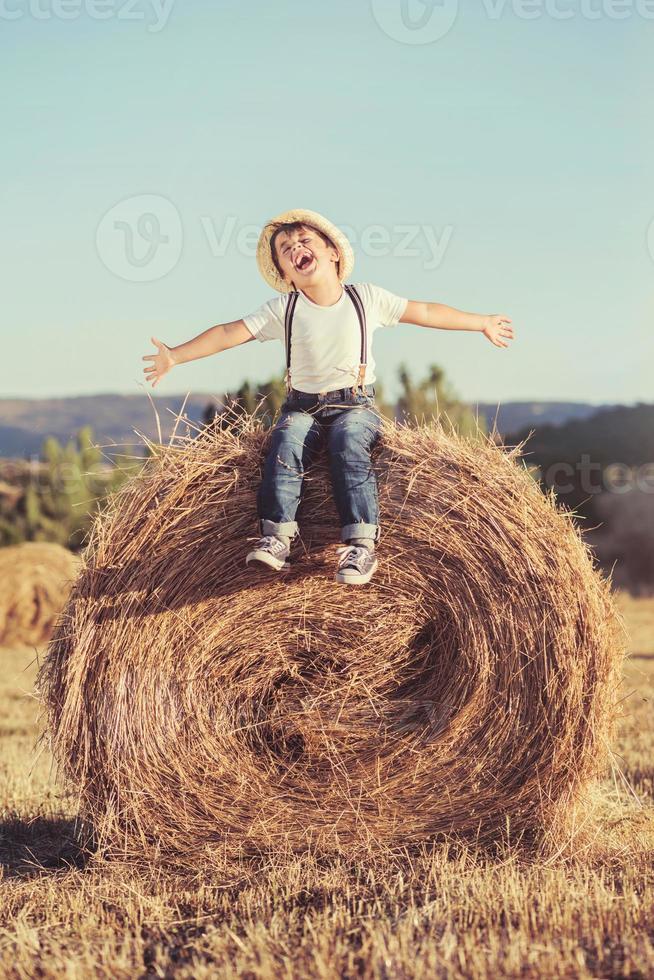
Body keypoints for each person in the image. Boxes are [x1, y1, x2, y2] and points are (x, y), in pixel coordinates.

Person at [142, 208, 514, 585]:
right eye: (285, 248)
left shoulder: (366, 298)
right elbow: (227, 332)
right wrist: (175, 355)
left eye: (304, 241)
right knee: (285, 439)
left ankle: (361, 545)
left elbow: (427, 311)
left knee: (349, 440)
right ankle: (277, 538)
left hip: (355, 405)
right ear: (284, 273)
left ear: (333, 253)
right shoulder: (283, 309)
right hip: (301, 406)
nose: (295, 249)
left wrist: (480, 322)